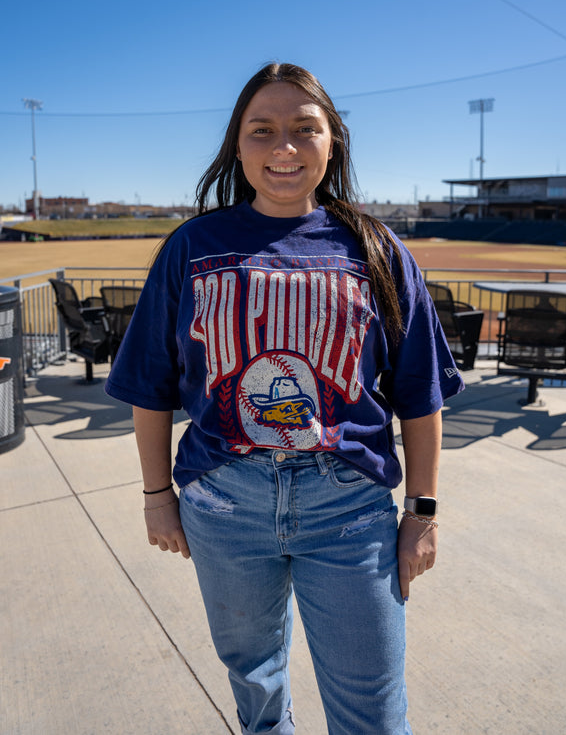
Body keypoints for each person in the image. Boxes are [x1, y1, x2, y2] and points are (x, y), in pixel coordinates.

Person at [105, 62, 464, 735]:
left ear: (333, 142)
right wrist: (157, 496)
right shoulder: (193, 246)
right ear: (238, 146)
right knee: (256, 686)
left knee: (373, 709)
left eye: (305, 128)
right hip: (224, 502)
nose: (285, 148)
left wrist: (423, 510)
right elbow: (149, 384)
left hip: (348, 507)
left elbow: (420, 393)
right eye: (263, 130)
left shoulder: (375, 249)